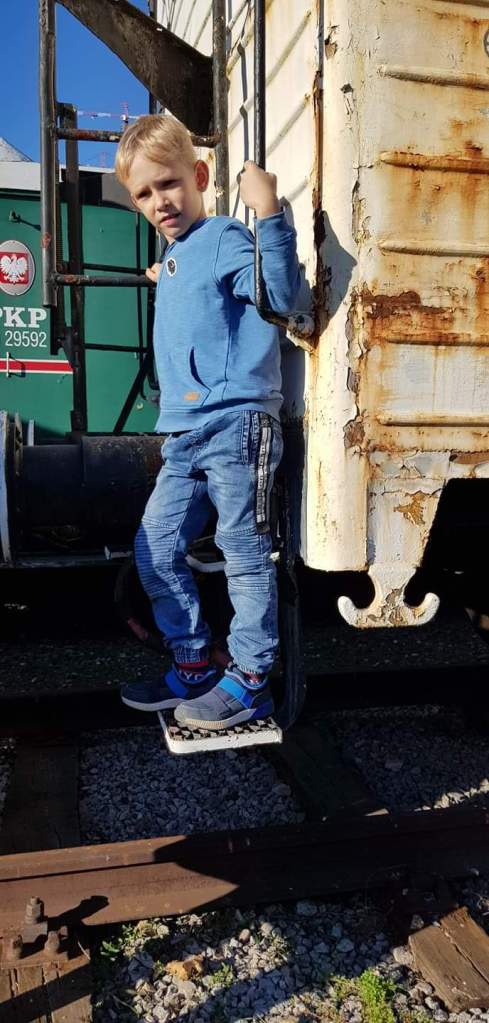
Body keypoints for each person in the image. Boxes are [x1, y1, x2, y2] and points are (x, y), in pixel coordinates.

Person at [115, 114, 300, 730]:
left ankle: (250, 682)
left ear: (198, 176)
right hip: (186, 435)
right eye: (144, 193)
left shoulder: (222, 235)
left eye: (168, 183)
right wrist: (167, 272)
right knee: (154, 548)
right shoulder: (179, 254)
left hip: (236, 425)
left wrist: (268, 212)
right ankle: (194, 664)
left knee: (243, 552)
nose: (159, 202)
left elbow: (282, 299)